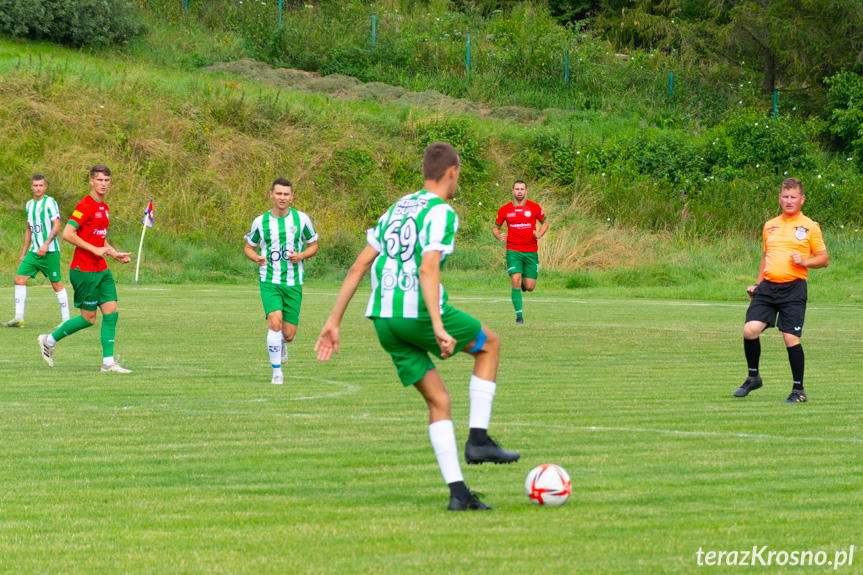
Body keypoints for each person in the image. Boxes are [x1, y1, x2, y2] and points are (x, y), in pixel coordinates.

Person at [315, 142, 519, 512]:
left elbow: (358, 267)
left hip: (382, 319)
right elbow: (428, 268)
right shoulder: (441, 211)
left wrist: (333, 320)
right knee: (488, 344)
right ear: (453, 171)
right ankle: (478, 439)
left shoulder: (399, 206)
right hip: (416, 313)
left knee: (439, 400)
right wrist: (438, 325)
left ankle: (459, 495)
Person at [735, 178, 829, 403]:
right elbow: (766, 257)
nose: (789, 201)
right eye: (785, 197)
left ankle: (798, 391)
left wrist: (805, 261)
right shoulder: (770, 225)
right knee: (750, 330)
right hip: (767, 288)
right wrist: (757, 284)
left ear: (802, 199)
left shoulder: (810, 226)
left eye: (793, 197)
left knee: (790, 337)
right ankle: (753, 377)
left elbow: (824, 259)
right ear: (779, 199)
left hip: (793, 289)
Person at [37, 165, 133, 373]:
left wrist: (113, 252)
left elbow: (98, 236)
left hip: (101, 269)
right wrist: (95, 250)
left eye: (107, 180)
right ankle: (49, 340)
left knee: (111, 312)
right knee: (88, 318)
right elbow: (68, 233)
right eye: (100, 180)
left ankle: (108, 363)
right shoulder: (86, 205)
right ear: (91, 181)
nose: (104, 184)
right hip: (84, 269)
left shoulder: (103, 206)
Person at [244, 178, 319, 385]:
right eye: (278, 194)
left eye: (286, 194)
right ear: (271, 195)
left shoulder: (301, 219)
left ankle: (283, 343)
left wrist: (301, 256)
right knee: (274, 322)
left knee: (288, 334)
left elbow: (314, 245)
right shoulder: (260, 222)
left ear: (292, 196)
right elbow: (249, 248)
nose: (282, 197)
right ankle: (277, 373)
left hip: (293, 282)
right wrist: (256, 258)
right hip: (269, 280)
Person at [4, 174, 70, 328]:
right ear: (31, 187)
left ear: (45, 187)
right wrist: (23, 253)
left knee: (56, 283)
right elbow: (29, 229)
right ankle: (19, 318)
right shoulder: (29, 205)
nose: (38, 188)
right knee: (19, 279)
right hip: (34, 252)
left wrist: (46, 244)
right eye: (35, 185)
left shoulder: (50, 202)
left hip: (50, 251)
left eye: (41, 185)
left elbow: (57, 225)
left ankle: (66, 320)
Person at [493, 180, 548, 324]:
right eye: (517, 189)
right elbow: (495, 227)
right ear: (512, 191)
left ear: (526, 191)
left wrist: (540, 233)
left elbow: (545, 223)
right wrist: (498, 235)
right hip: (513, 251)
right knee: (515, 281)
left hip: (530, 251)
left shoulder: (534, 207)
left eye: (522, 189)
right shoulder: (505, 209)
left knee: (530, 287)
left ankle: (525, 282)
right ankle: (519, 316)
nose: (519, 191)